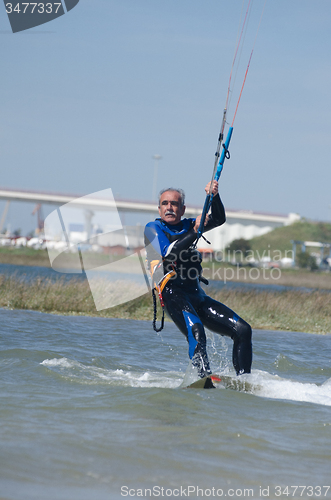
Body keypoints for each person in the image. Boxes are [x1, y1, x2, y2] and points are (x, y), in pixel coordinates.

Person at [144, 181, 252, 378]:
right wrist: (197, 230)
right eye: (165, 203)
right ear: (159, 208)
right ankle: (204, 377)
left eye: (174, 204)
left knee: (243, 330)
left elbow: (218, 218)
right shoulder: (152, 229)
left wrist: (214, 196)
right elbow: (170, 253)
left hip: (196, 296)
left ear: (182, 209)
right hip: (172, 295)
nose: (169, 207)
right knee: (197, 332)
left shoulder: (188, 224)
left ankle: (244, 380)